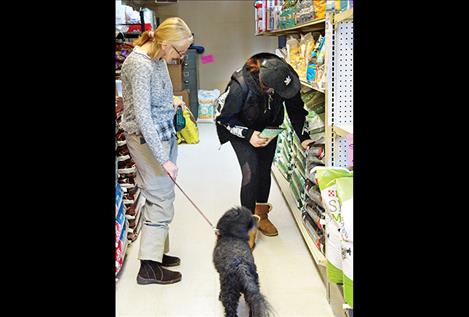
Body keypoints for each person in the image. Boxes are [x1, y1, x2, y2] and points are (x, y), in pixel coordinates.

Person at [120, 17, 193, 285]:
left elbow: (156, 98)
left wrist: (173, 104)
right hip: (146, 140)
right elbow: (142, 116)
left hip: (162, 135)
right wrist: (163, 159)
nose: (180, 57)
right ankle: (148, 267)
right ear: (164, 43)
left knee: (164, 194)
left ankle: (158, 253)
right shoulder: (140, 65)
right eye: (179, 51)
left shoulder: (158, 56)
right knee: (159, 197)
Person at [216, 52, 314, 249]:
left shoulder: (286, 78)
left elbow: (296, 109)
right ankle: (247, 226)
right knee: (251, 170)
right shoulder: (240, 86)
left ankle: (261, 214)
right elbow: (223, 119)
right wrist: (249, 135)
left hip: (268, 127)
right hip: (241, 129)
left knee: (264, 167)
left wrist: (305, 138)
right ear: (267, 87)